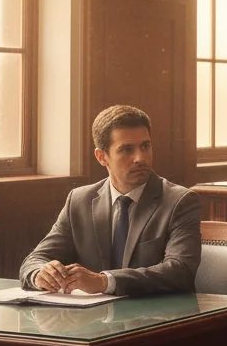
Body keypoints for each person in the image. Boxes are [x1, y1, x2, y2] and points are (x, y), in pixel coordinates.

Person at [20, 105, 201, 295]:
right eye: (126, 150)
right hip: (94, 319)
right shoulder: (79, 200)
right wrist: (40, 274)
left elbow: (181, 271)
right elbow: (35, 259)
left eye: (145, 146)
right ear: (102, 157)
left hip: (160, 318)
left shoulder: (180, 201)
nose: (140, 158)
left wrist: (105, 282)